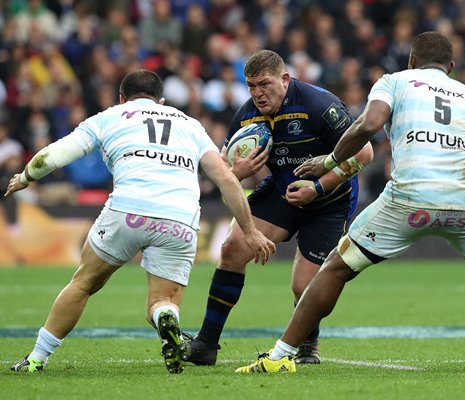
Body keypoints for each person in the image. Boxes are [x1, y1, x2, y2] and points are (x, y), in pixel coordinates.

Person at [235, 32, 465, 374]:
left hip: (410, 198)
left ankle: (281, 357)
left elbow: (368, 125)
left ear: (411, 61)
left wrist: (329, 161)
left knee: (335, 267)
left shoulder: (395, 81)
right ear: (451, 68)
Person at [4, 69, 275, 374]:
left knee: (83, 283)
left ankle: (36, 359)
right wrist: (250, 232)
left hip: (128, 210)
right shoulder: (191, 125)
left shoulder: (110, 116)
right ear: (161, 100)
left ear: (122, 98)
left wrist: (26, 176)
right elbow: (226, 178)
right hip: (180, 217)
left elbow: (55, 155)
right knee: (161, 300)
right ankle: (165, 319)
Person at [185, 49, 373, 366]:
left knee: (304, 287)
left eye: (264, 84)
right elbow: (222, 167)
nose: (258, 93)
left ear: (285, 79)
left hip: (330, 200)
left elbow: (365, 153)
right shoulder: (246, 115)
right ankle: (206, 344)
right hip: (282, 190)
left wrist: (318, 187)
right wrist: (237, 174)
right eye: (251, 86)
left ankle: (307, 347)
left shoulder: (318, 104)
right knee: (232, 248)